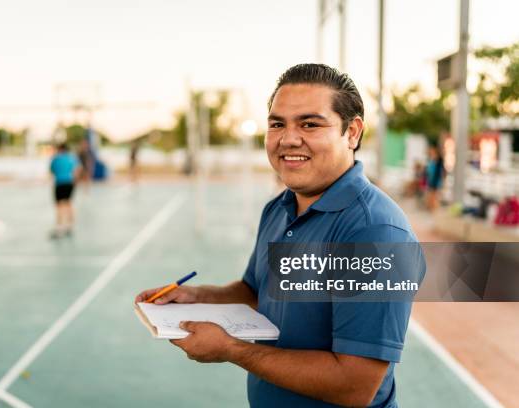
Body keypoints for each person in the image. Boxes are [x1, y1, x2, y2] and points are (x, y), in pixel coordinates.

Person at [136, 64, 423, 408]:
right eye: (277, 124)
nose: (288, 138)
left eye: (310, 124)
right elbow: (257, 293)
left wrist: (231, 349)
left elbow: (354, 385)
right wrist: (198, 295)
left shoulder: (374, 232)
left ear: (352, 132)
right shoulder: (279, 209)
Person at [50, 142, 80, 238]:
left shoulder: (55, 159)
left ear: (60, 149)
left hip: (59, 183)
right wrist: (75, 180)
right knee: (68, 203)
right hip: (69, 183)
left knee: (59, 206)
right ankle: (70, 225)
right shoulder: (71, 158)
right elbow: (77, 170)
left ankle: (59, 227)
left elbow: (52, 171)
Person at [425, 145, 444, 211]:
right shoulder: (432, 161)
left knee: (434, 195)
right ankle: (431, 207)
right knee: (431, 194)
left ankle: (433, 208)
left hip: (435, 180)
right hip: (431, 180)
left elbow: (440, 173)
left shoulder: (438, 162)